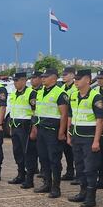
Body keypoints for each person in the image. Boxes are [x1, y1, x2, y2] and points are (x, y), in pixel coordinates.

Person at [66, 69, 103, 207]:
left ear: (88, 80)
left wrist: (96, 140)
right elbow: (70, 117)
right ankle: (82, 192)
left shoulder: (96, 97)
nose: (76, 81)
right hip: (76, 135)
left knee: (90, 168)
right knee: (80, 166)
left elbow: (100, 120)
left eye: (79, 79)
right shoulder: (73, 96)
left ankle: (91, 197)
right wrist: (68, 134)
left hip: (89, 138)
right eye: (75, 79)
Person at [33, 67, 69, 197]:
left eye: (45, 77)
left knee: (54, 159)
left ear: (54, 78)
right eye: (42, 77)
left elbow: (64, 114)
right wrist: (35, 128)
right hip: (41, 129)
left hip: (53, 131)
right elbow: (37, 112)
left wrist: (61, 132)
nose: (43, 79)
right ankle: (46, 183)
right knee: (43, 158)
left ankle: (56, 187)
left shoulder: (60, 93)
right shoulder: (40, 91)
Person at [7, 72, 37, 189]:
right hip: (15, 126)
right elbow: (13, 111)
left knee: (28, 153)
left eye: (17, 80)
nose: (15, 83)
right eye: (14, 80)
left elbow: (35, 112)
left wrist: (34, 128)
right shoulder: (14, 94)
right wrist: (10, 126)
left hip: (26, 127)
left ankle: (29, 179)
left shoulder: (31, 93)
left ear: (24, 80)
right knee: (17, 152)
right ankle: (20, 174)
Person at [61, 67, 78, 183]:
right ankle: (70, 170)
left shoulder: (75, 89)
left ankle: (78, 173)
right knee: (66, 150)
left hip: (73, 121)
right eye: (63, 74)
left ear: (72, 75)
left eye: (66, 74)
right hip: (64, 121)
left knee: (74, 150)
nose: (64, 76)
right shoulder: (62, 88)